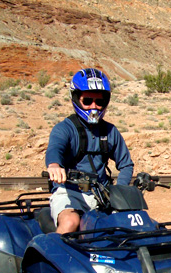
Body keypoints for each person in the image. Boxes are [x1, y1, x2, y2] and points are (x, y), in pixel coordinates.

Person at [45, 68, 134, 233]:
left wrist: (118, 192)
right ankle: (51, 256)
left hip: (103, 194)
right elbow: (55, 148)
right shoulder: (64, 129)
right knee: (71, 222)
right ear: (77, 99)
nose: (94, 107)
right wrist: (54, 165)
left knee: (133, 223)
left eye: (99, 102)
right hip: (70, 192)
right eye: (87, 101)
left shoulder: (110, 131)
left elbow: (126, 164)